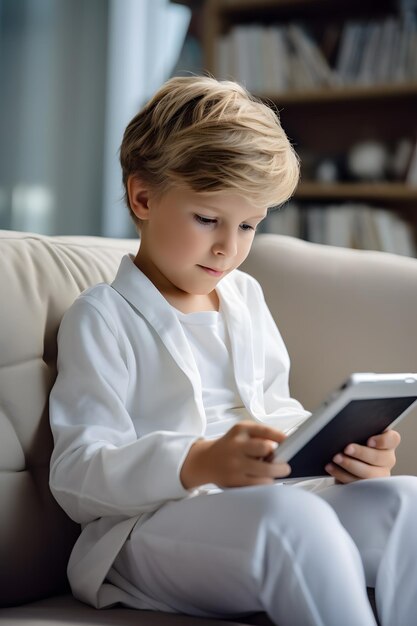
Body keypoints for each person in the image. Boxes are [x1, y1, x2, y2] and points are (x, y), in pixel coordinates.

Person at [49, 76, 417, 626]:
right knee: (291, 522)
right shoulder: (101, 316)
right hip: (152, 528)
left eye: (248, 225)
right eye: (207, 219)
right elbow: (77, 475)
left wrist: (338, 454)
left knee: (406, 501)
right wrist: (196, 462)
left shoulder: (243, 296)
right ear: (142, 197)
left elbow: (275, 411)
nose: (229, 247)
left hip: (267, 501)